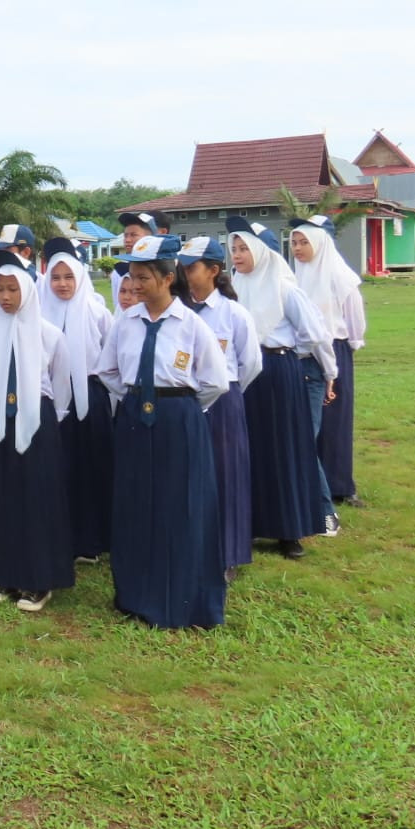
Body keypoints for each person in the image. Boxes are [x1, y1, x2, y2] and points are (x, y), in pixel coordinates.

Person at [93, 234, 230, 628]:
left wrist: (180, 408)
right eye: (131, 277)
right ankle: (135, 595)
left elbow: (215, 382)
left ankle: (182, 598)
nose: (133, 285)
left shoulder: (191, 325)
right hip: (135, 418)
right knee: (135, 503)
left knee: (179, 505)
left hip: (179, 420)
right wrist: (136, 399)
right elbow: (107, 371)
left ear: (168, 277)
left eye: (142, 277)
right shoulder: (126, 323)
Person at [0, 250, 74, 612]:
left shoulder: (48, 335)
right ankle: (2, 572)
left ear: (27, 291)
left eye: (13, 289)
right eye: (0, 289)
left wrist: (43, 417)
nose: (5, 297)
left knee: (34, 498)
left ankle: (37, 580)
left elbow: (61, 386)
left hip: (37, 422)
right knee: (1, 495)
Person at [228, 217, 337, 556]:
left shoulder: (285, 287)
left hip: (279, 371)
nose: (237, 255)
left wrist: (286, 355)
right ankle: (253, 523)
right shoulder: (234, 287)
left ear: (261, 251)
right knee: (251, 449)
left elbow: (313, 333)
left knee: (284, 447)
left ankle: (289, 531)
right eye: (233, 248)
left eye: (244, 248)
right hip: (247, 374)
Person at [178, 236, 261, 578]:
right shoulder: (178, 311)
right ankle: (191, 548)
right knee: (188, 477)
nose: (184, 273)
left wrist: (224, 395)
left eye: (191, 267)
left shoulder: (233, 314)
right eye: (181, 266)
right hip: (185, 401)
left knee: (225, 476)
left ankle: (227, 554)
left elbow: (251, 364)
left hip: (223, 403)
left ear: (213, 270)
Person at [37, 237, 115, 563]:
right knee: (58, 468)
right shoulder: (38, 313)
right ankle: (59, 538)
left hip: (90, 398)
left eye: (69, 277)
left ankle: (92, 541)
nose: (62, 284)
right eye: (55, 277)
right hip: (52, 400)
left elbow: (112, 361)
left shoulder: (97, 313)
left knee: (91, 468)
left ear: (80, 278)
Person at [289, 215, 367, 509]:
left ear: (320, 244)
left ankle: (340, 484)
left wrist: (352, 344)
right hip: (304, 353)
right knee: (310, 420)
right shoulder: (295, 276)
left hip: (335, 348)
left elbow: (353, 316)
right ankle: (313, 479)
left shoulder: (339, 276)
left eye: (303, 242)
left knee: (336, 418)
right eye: (294, 242)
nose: (297, 248)